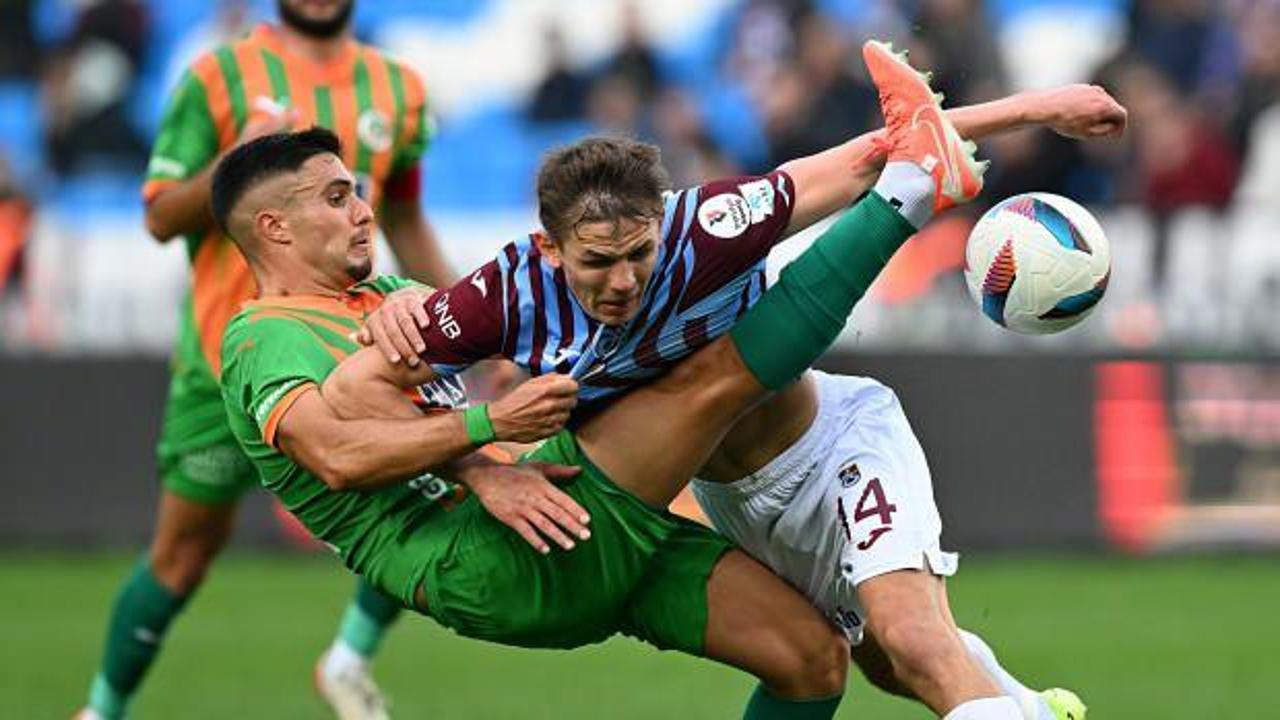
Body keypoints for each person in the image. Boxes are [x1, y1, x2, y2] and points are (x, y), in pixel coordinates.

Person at [217, 40, 985, 719]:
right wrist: (488, 443)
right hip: (482, 561)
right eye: (337, 197)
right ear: (273, 228)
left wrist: (1030, 109)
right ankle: (910, 195)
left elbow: (464, 362)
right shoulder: (262, 339)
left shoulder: (383, 299)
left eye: (355, 190)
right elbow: (337, 455)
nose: (362, 211)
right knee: (711, 379)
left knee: (811, 660)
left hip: (557, 513)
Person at [356, 44, 1125, 719]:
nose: (623, 281)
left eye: (639, 254)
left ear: (662, 223)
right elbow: (372, 389)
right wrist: (478, 467)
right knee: (885, 665)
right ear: (550, 249)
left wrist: (1037, 109)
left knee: (914, 641)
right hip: (736, 504)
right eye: (598, 262)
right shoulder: (504, 297)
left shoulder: (708, 226)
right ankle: (1026, 709)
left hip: (835, 447)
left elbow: (871, 155)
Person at [76, 2, 455, 719]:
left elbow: (404, 218)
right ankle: (101, 711)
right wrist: (235, 160)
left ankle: (347, 660)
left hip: (353, 350)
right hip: (226, 362)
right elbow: (159, 216)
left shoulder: (398, 88)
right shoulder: (217, 77)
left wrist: (465, 323)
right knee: (182, 557)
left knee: (434, 489)